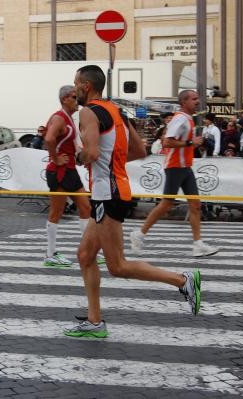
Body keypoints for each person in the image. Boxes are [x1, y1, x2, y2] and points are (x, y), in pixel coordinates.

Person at [63, 66, 201, 338]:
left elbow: (90, 153)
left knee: (118, 266)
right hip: (114, 190)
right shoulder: (116, 111)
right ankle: (94, 322)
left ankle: (184, 281)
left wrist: (77, 157)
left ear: (86, 86)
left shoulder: (87, 112)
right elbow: (139, 150)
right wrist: (111, 162)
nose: (73, 89)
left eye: (76, 84)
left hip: (108, 194)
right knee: (85, 256)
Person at [129, 90, 219, 258]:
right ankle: (139, 234)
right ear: (184, 102)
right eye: (194, 99)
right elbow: (167, 141)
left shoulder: (188, 119)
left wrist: (193, 145)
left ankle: (197, 244)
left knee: (195, 205)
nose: (198, 102)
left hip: (185, 167)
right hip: (175, 166)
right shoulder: (180, 119)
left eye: (197, 99)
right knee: (166, 204)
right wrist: (191, 142)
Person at [43, 85, 95, 267]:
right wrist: (56, 158)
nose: (77, 100)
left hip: (68, 169)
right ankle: (50, 254)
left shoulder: (67, 118)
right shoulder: (59, 117)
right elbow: (49, 138)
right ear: (65, 98)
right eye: (74, 97)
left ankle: (87, 249)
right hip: (60, 171)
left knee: (85, 207)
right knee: (57, 212)